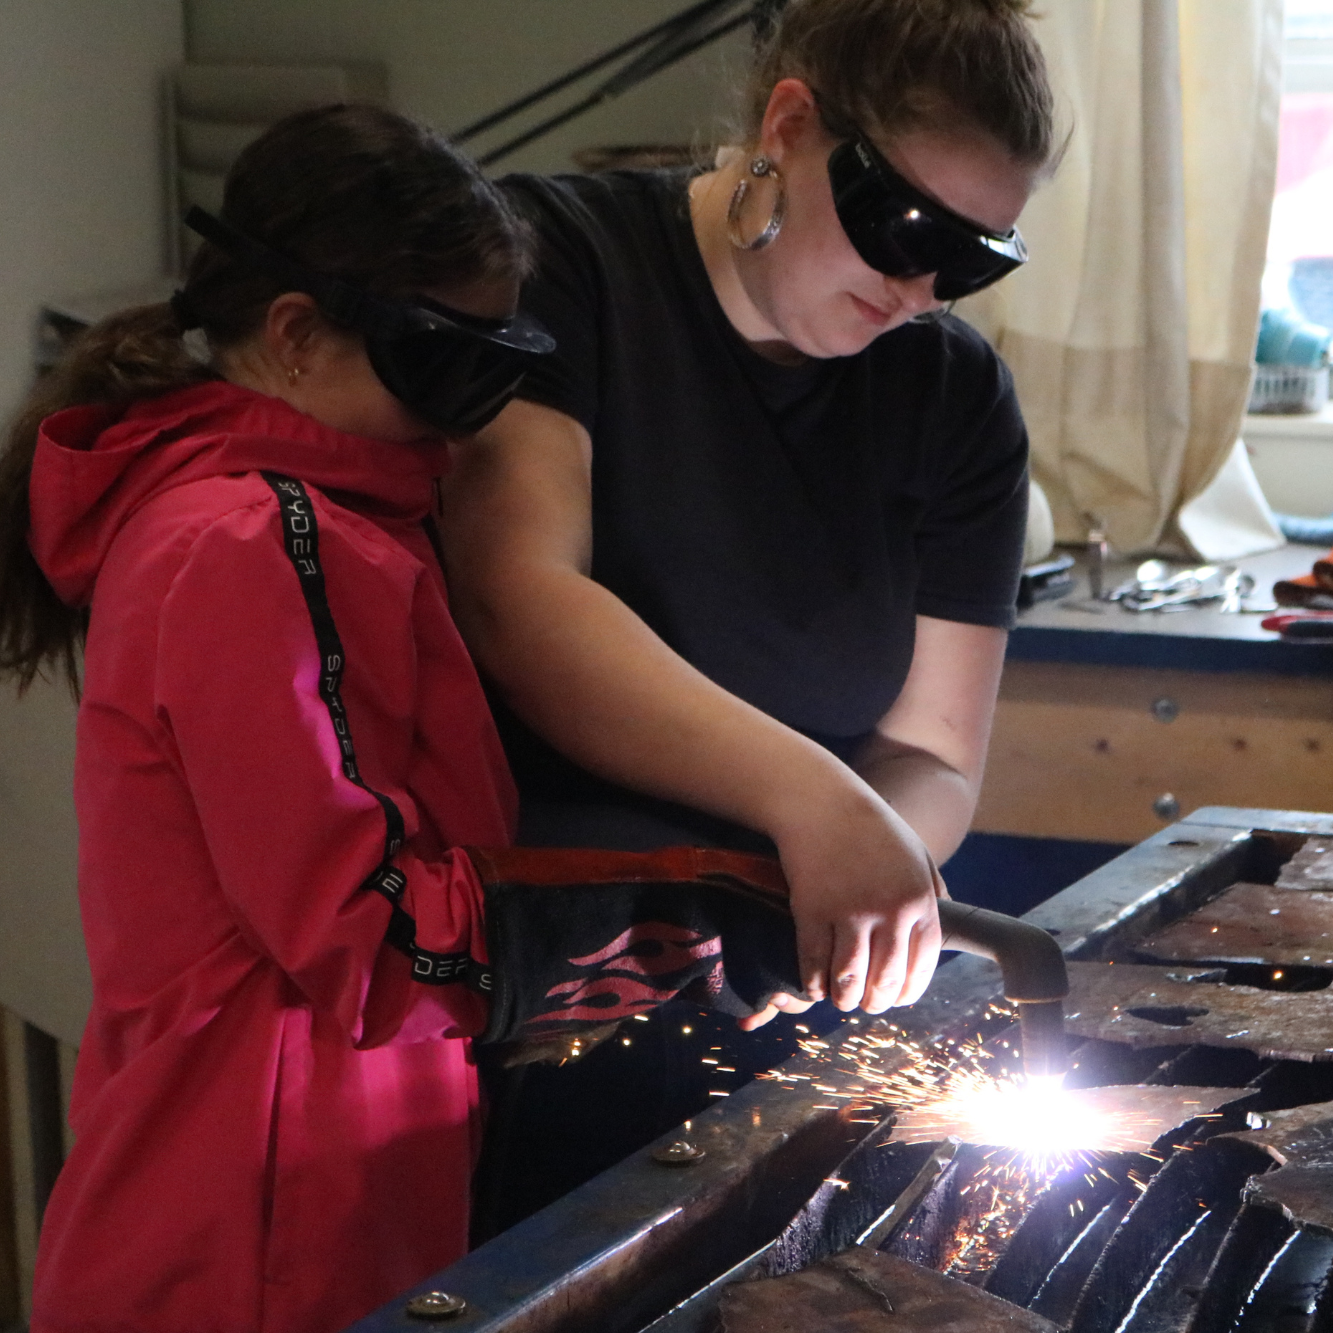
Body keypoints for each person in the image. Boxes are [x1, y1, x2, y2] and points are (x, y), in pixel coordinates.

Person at [441, 0, 1059, 1221]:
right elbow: (522, 596)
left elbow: (931, 753)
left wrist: (860, 874)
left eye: (973, 259)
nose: (919, 286)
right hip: (512, 1017)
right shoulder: (555, 262)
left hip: (774, 1014)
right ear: (789, 125)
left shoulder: (952, 398)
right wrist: (810, 805)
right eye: (902, 225)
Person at [0, 104, 542, 1333]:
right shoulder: (253, 539)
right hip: (250, 1234)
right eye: (436, 362)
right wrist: (637, 927)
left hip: (306, 1182)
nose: (460, 418)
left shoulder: (325, 519)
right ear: (296, 335)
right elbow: (368, 930)